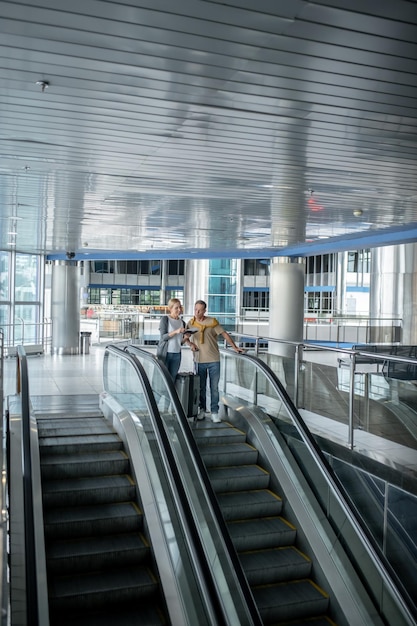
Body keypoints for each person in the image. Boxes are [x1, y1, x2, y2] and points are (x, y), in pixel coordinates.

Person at [185, 300, 244, 422]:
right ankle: (202, 410)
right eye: (195, 309)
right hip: (199, 360)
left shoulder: (212, 322)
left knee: (214, 387)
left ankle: (214, 412)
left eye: (200, 310)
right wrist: (190, 344)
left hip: (214, 360)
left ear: (205, 310)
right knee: (201, 387)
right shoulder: (190, 323)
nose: (197, 312)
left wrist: (235, 347)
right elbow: (185, 337)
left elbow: (224, 334)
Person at [157, 298, 189, 380]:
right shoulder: (165, 319)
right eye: (176, 308)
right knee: (163, 377)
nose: (179, 310)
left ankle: (171, 393)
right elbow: (163, 337)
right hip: (166, 353)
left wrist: (186, 338)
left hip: (177, 354)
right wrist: (176, 331)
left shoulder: (182, 323)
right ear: (170, 309)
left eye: (180, 307)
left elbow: (180, 342)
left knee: (173, 378)